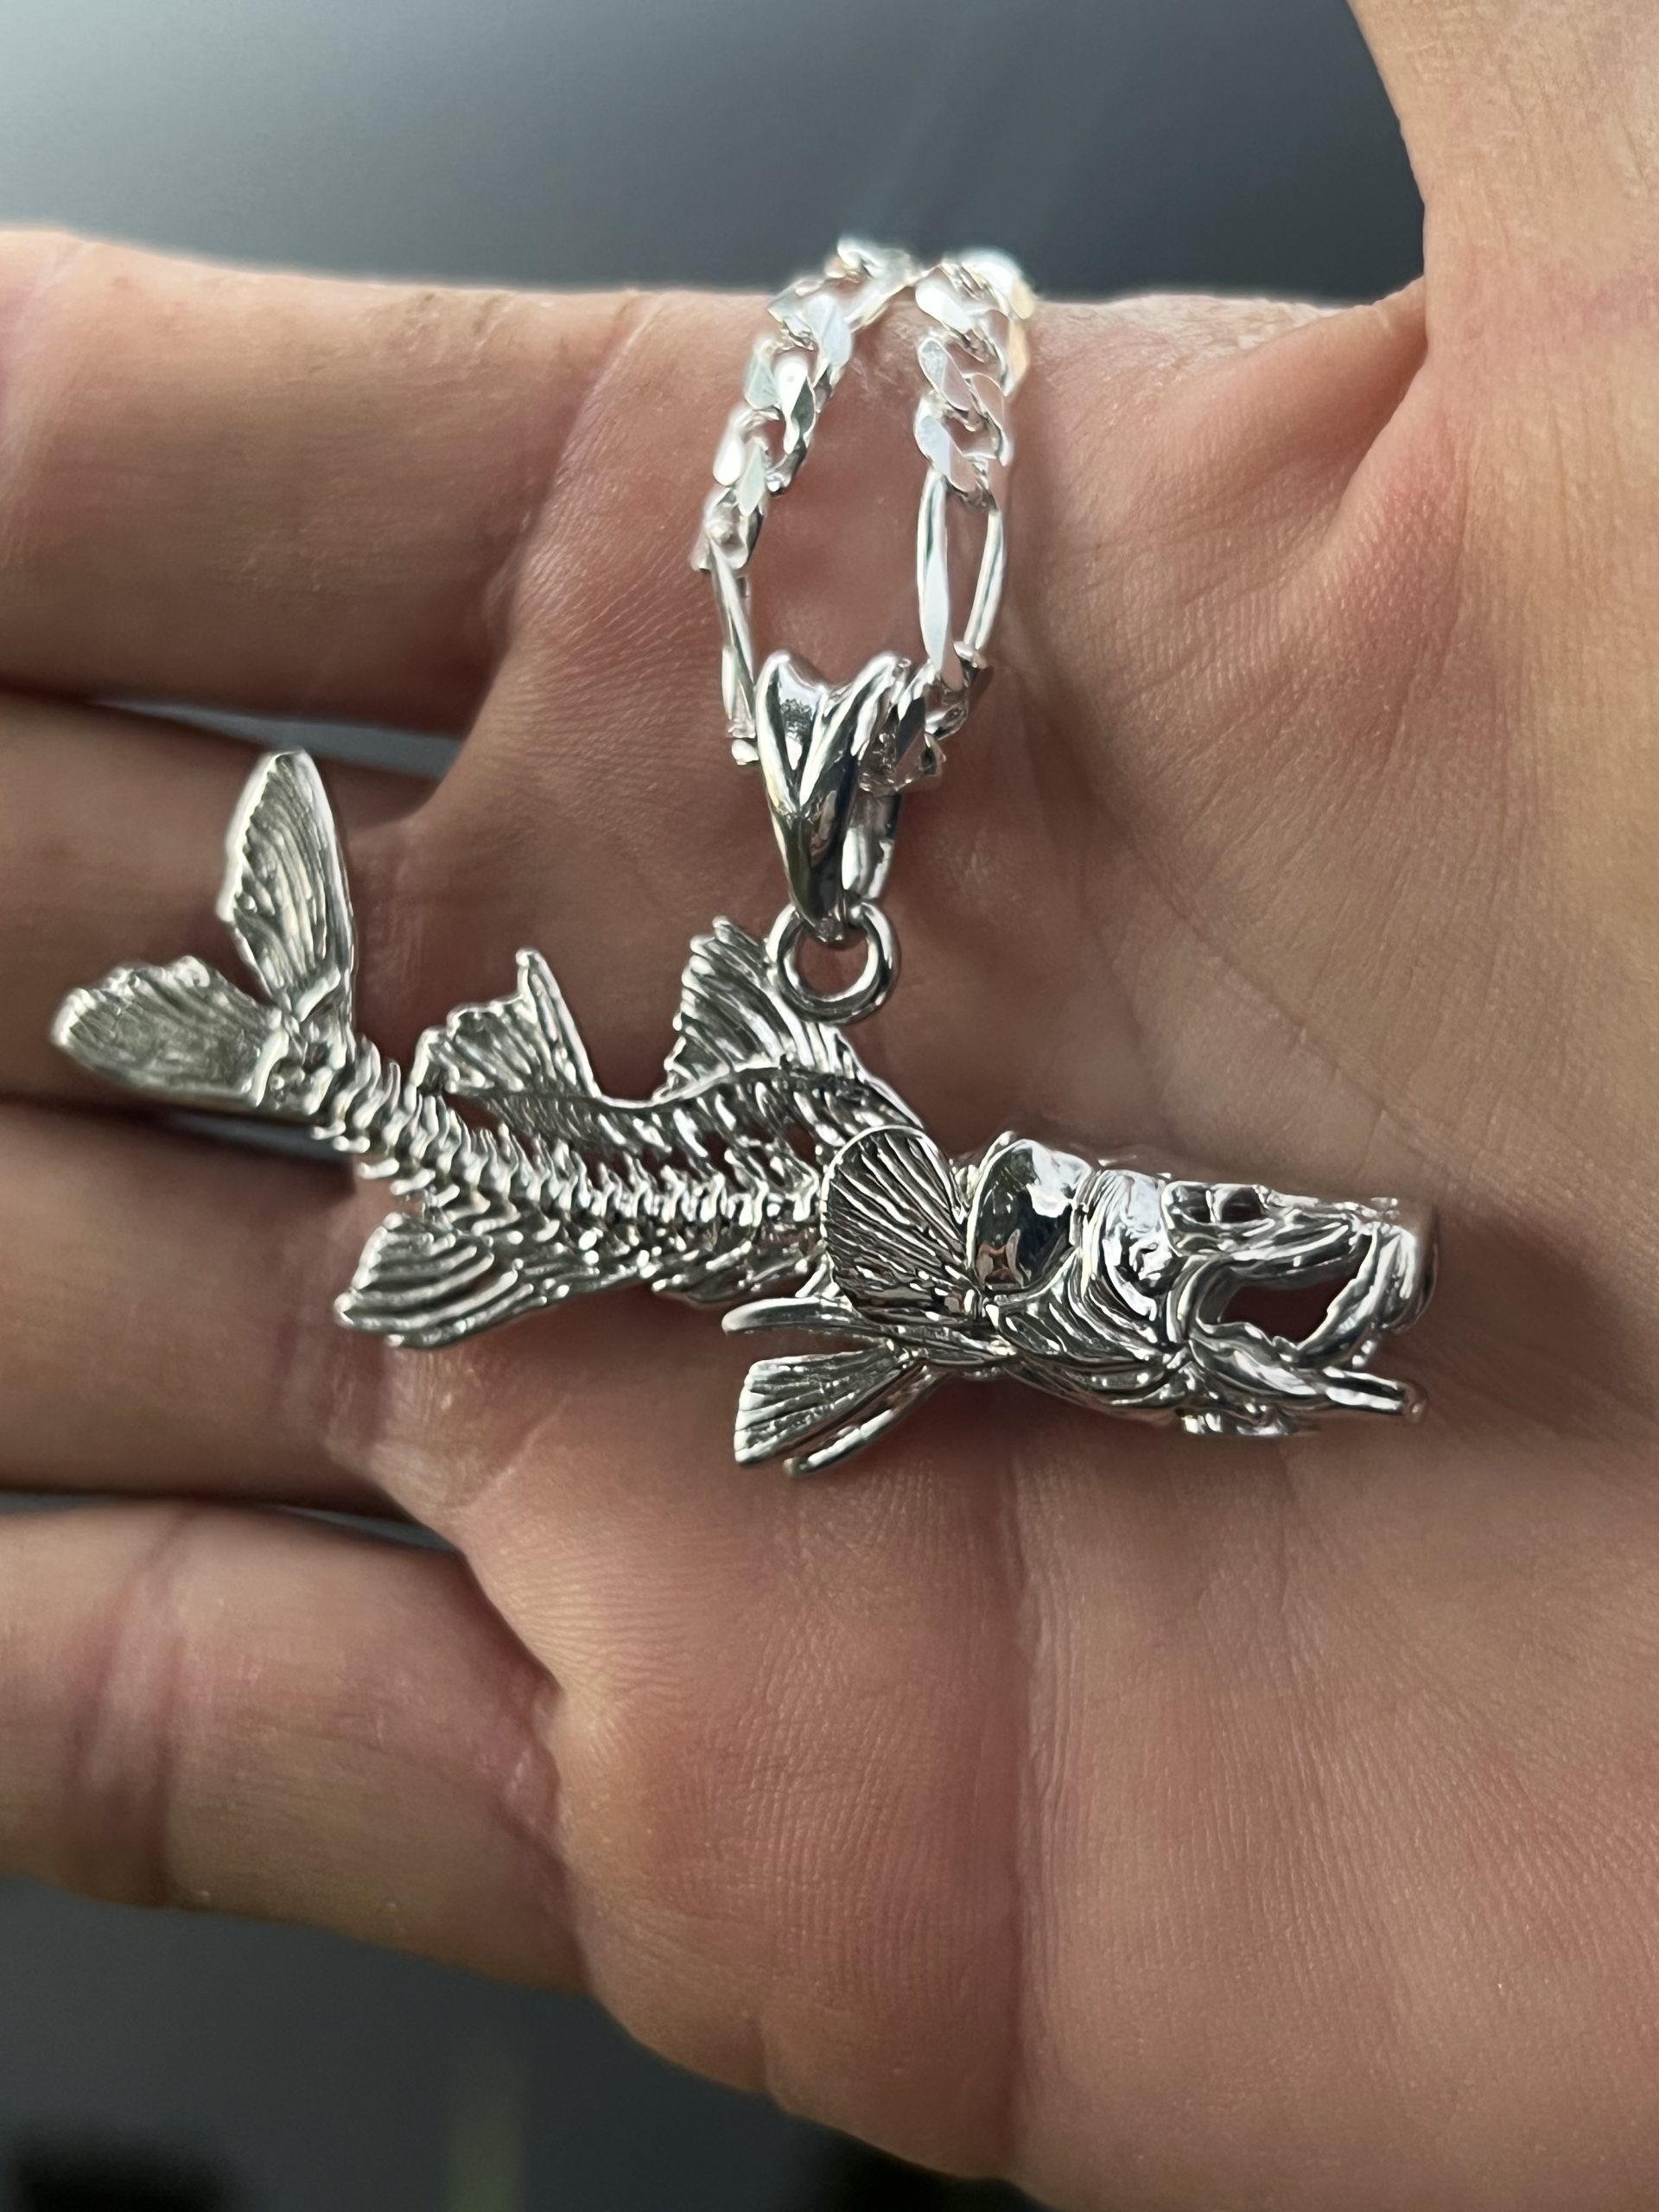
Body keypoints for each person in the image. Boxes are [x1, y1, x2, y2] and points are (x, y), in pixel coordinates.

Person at [0, 2, 1653, 2204]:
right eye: (1192, 1238)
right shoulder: (930, 1240)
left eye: (1201, 1247)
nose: (1241, 1246)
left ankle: (293, 1048)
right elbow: (847, 1340)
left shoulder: (963, 1263)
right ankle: (289, 1046)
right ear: (1030, 1253)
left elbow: (846, 1362)